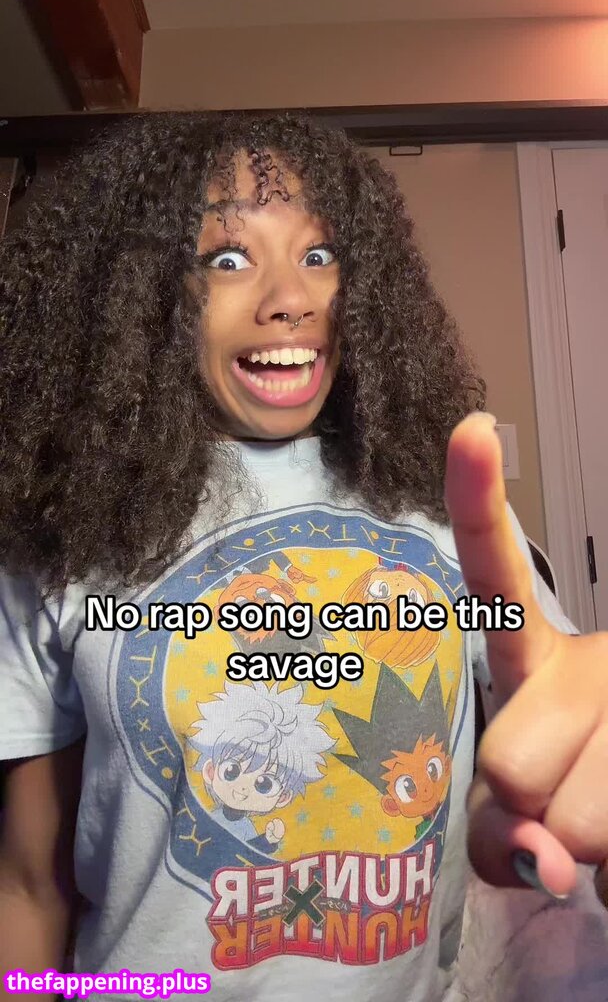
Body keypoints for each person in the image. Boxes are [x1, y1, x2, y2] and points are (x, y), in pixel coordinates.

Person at [0, 111, 606, 1002]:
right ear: (143, 293)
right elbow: (29, 884)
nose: (293, 297)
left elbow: (549, 734)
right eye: (227, 258)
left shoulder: (445, 501)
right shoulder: (66, 527)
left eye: (319, 255)